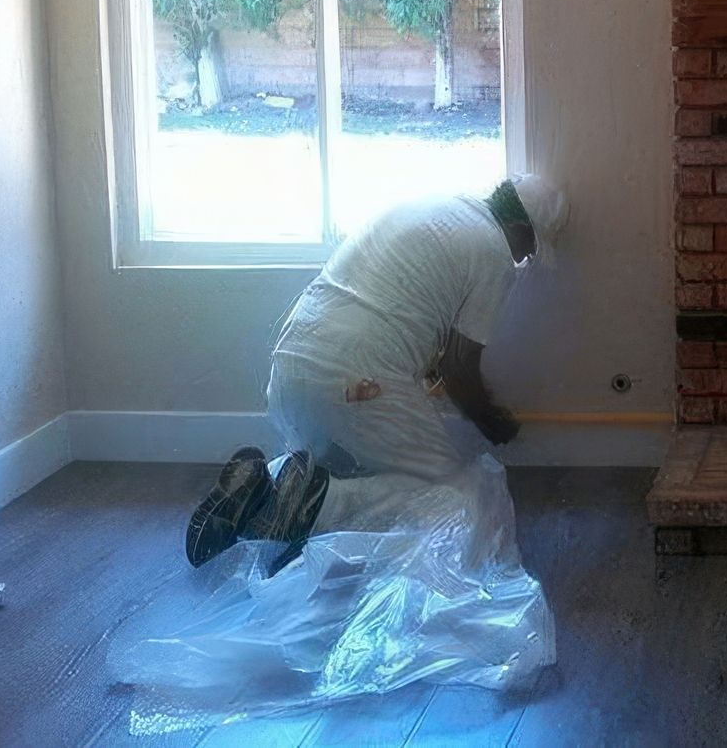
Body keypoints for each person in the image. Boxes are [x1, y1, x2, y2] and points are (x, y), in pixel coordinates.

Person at [184, 175, 569, 574]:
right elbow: (459, 368)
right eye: (530, 249)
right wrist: (494, 422)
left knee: (354, 466)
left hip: (291, 369)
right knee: (453, 495)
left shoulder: (438, 206)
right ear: (521, 228)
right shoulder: (492, 250)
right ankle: (316, 505)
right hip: (356, 380)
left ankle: (268, 484)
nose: (524, 259)